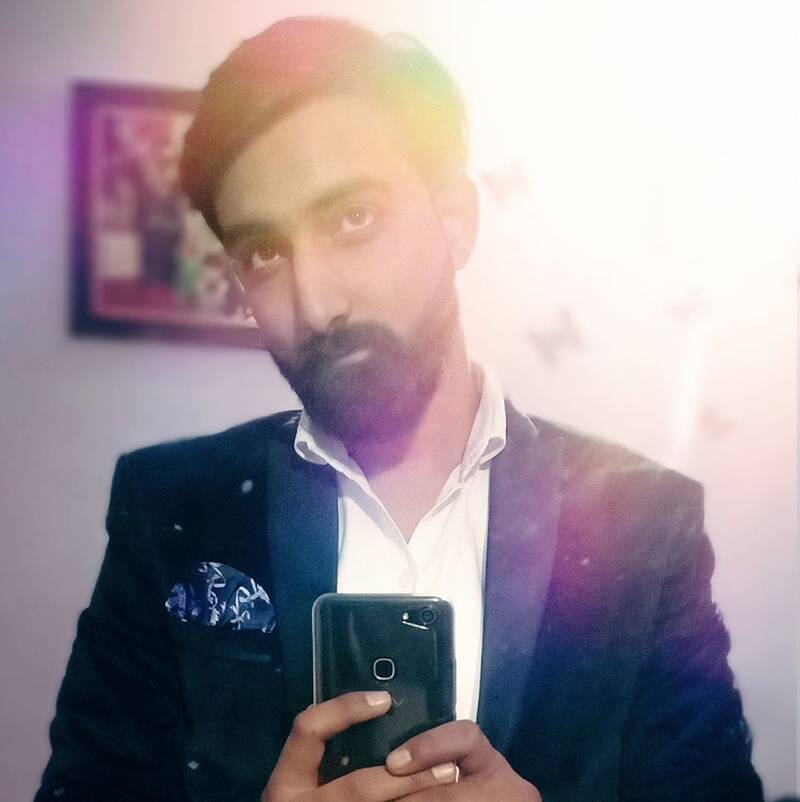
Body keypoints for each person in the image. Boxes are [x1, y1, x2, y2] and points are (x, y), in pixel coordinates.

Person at [37, 16, 765, 802]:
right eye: (264, 253)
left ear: (456, 221)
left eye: (354, 218)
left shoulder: (642, 522)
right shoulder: (173, 507)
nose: (317, 302)